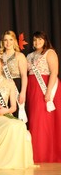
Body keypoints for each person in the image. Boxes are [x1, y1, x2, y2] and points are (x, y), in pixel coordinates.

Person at [0, 56, 36, 169]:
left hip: (5, 115)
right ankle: (3, 161)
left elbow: (13, 107)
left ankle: (16, 161)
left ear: (2, 65)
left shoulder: (10, 82)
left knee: (19, 125)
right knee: (11, 125)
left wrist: (6, 110)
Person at [26, 31, 61, 162]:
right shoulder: (29, 55)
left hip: (46, 88)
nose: (37, 42)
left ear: (45, 40)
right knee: (35, 120)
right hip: (32, 89)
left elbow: (54, 72)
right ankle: (36, 154)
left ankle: (46, 154)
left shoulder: (50, 53)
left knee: (45, 121)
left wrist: (48, 91)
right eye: (34, 40)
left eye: (39, 39)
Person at [0, 30, 28, 118]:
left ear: (14, 41)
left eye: (10, 39)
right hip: (3, 87)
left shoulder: (19, 56)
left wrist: (23, 92)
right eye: (5, 40)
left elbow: (24, 75)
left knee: (18, 113)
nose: (8, 42)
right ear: (2, 42)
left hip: (17, 86)